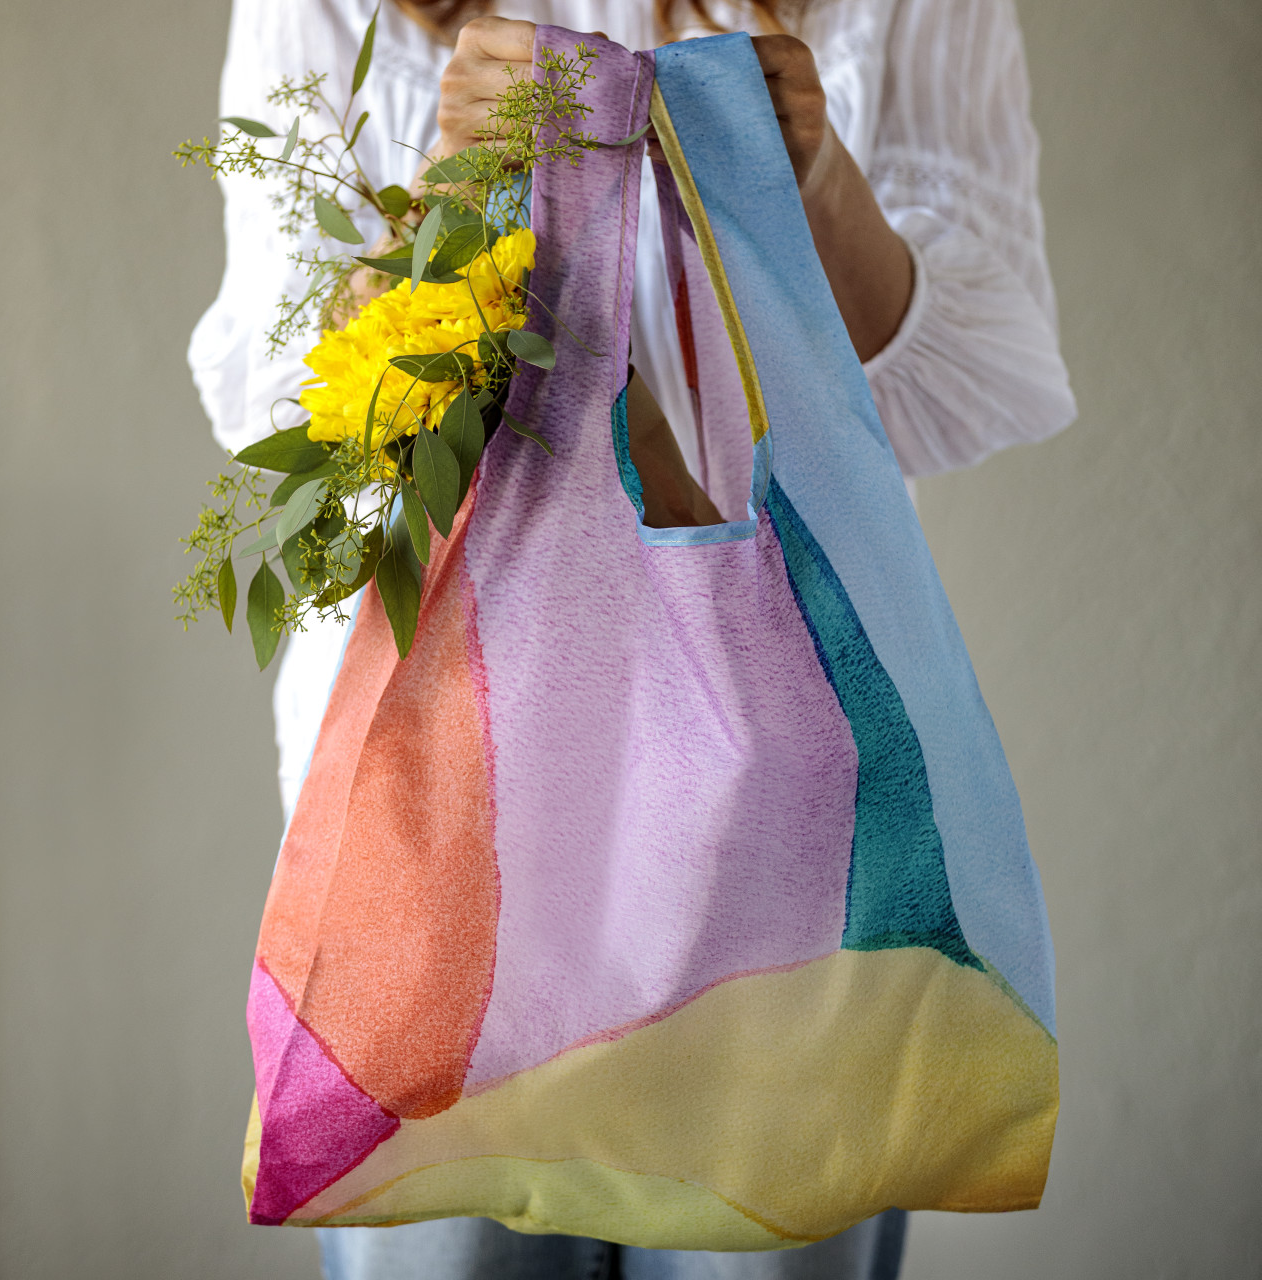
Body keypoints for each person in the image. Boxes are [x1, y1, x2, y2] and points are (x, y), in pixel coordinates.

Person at [189, 1, 1076, 1276]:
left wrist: (803, 180)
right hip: (448, 826)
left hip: (781, 836)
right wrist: (457, 204)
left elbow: (978, 373)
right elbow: (274, 407)